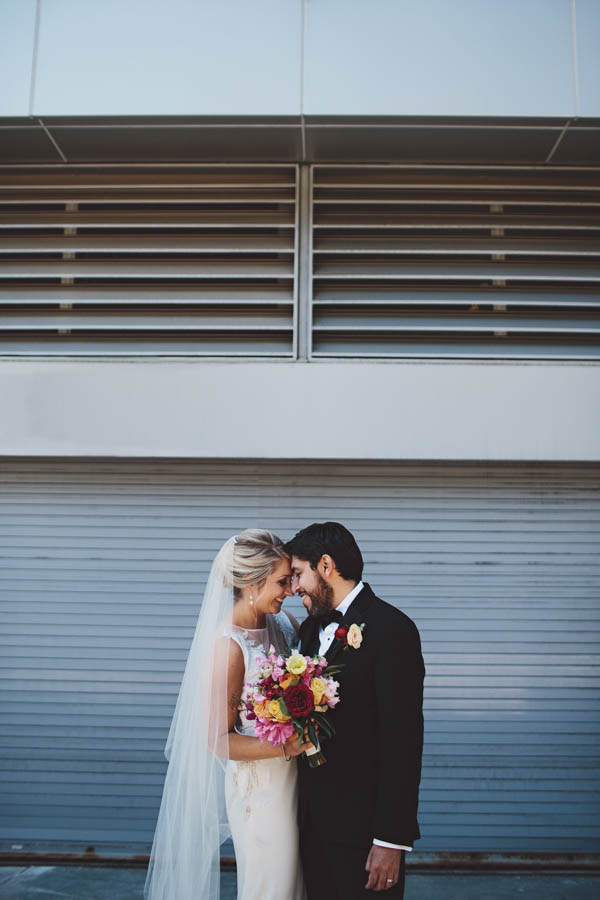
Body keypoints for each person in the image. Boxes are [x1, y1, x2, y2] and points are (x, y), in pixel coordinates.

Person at [144, 529, 309, 900]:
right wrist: (289, 747)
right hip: (262, 792)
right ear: (251, 581)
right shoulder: (229, 647)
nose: (289, 590)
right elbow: (218, 740)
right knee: (272, 885)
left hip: (298, 780)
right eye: (282, 582)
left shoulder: (283, 624)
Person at [287, 522, 425, 899]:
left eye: (299, 574)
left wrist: (391, 841)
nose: (293, 587)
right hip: (310, 827)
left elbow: (404, 743)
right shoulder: (309, 632)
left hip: (364, 836)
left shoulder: (392, 630)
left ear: (326, 565)